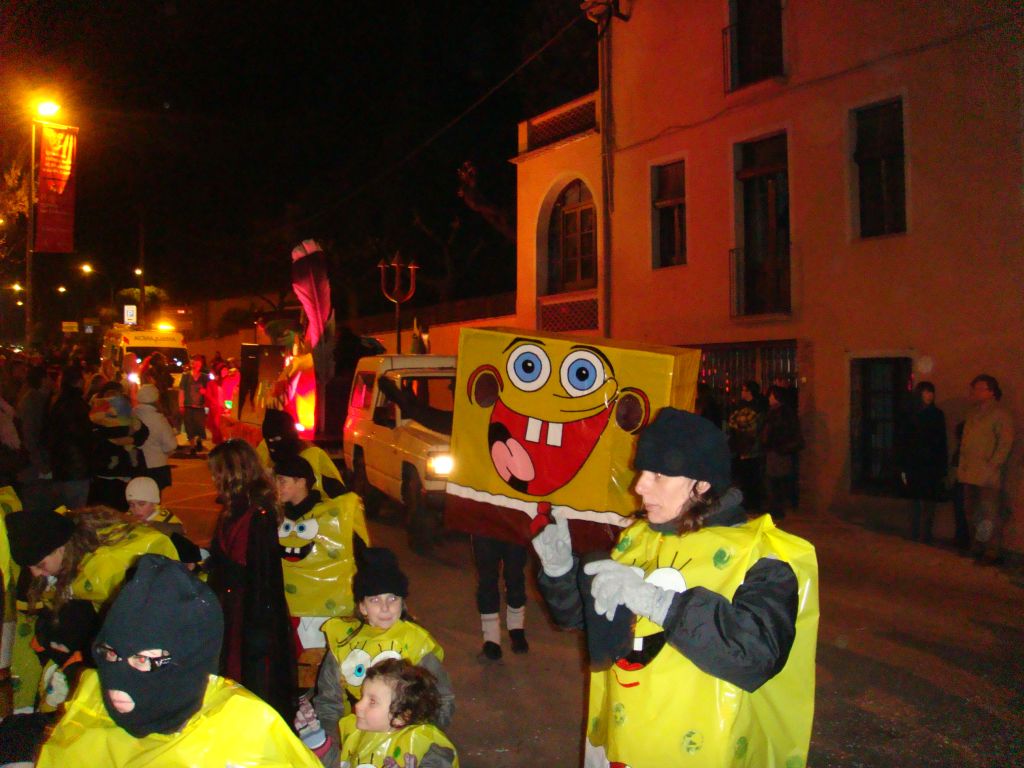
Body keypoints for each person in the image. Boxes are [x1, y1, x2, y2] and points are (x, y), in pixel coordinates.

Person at [532, 407, 818, 767]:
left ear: (701, 483)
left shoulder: (760, 554)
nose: (639, 486)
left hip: (709, 750)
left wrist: (659, 603)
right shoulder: (635, 539)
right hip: (623, 745)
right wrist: (559, 571)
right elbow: (587, 621)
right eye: (641, 471)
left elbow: (755, 656)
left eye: (658, 474)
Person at [36, 554, 322, 767]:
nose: (118, 678)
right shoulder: (89, 702)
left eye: (143, 660)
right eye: (110, 654)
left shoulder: (247, 732)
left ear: (192, 661)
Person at [300, 547, 454, 766]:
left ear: (402, 603)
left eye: (392, 598)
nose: (385, 608)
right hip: (355, 732)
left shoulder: (417, 643)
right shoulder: (344, 642)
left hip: (406, 729)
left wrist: (414, 737)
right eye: (374, 600)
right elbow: (328, 702)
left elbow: (443, 699)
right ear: (362, 606)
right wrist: (331, 744)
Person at [206, 439, 296, 722]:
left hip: (252, 612)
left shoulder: (258, 514)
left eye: (216, 472)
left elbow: (262, 573)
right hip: (234, 605)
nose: (212, 478)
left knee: (254, 677)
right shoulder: (235, 508)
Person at [273, 454, 368, 653]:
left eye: (282, 481)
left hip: (326, 612)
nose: (276, 486)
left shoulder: (333, 515)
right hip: (289, 612)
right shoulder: (275, 517)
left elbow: (361, 555)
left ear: (301, 481)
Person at [299, 658, 458, 768]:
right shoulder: (360, 734)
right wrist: (317, 741)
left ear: (403, 716)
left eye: (372, 701)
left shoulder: (428, 748)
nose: (358, 706)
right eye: (362, 697)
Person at [957, 374, 1014, 565]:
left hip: (987, 475)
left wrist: (993, 465)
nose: (974, 392)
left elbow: (1005, 444)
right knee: (971, 512)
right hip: (969, 473)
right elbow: (965, 443)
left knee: (988, 514)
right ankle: (977, 546)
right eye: (974, 388)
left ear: (991, 391)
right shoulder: (972, 413)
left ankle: (991, 550)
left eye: (979, 388)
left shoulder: (1000, 414)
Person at [897, 381, 948, 543]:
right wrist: (903, 465)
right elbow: (904, 441)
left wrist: (942, 466)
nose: (929, 396)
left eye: (931, 392)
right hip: (914, 463)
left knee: (929, 501)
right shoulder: (910, 414)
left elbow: (942, 441)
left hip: (931, 464)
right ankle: (914, 531)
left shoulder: (937, 414)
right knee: (914, 500)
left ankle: (926, 533)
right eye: (926, 392)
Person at [257, 408, 346, 497]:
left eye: (277, 439)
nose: (272, 444)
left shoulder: (313, 456)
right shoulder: (264, 450)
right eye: (268, 440)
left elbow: (340, 495)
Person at [88, 381, 148, 511]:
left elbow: (142, 433)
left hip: (119, 471)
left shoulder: (126, 417)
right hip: (109, 471)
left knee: (117, 509)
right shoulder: (98, 419)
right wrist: (127, 438)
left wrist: (130, 438)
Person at [472, 534, 529, 661]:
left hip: (515, 522)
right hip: (484, 524)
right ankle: (491, 639)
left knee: (514, 575)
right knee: (487, 578)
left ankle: (516, 628)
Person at [48, 366, 93, 509]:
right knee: (77, 512)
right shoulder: (78, 405)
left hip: (59, 467)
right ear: (79, 382)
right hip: (77, 468)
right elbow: (83, 436)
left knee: (62, 511)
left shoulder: (56, 402)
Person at [761, 384, 803, 521]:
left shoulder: (779, 413)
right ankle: (777, 507)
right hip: (780, 450)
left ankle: (777, 508)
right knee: (777, 480)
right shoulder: (781, 412)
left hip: (778, 450)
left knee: (775, 480)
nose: (769, 398)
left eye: (771, 395)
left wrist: (770, 442)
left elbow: (776, 432)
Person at [727, 380, 766, 511]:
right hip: (741, 447)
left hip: (751, 448)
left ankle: (753, 504)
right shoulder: (741, 406)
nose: (741, 392)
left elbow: (748, 425)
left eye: (744, 390)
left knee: (752, 478)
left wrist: (740, 423)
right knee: (743, 478)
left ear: (750, 392)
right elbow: (733, 421)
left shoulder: (757, 407)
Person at [133, 383, 178, 490]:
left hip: (136, 464)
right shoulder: (159, 419)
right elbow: (170, 445)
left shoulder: (133, 415)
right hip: (156, 465)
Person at [179, 353, 207, 455]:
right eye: (193, 362)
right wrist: (181, 404)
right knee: (189, 426)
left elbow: (210, 390)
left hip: (200, 406)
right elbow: (181, 390)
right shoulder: (186, 376)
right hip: (188, 405)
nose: (194, 365)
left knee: (200, 425)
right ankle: (192, 446)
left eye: (197, 363)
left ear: (200, 364)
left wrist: (205, 392)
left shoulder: (205, 377)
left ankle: (199, 440)